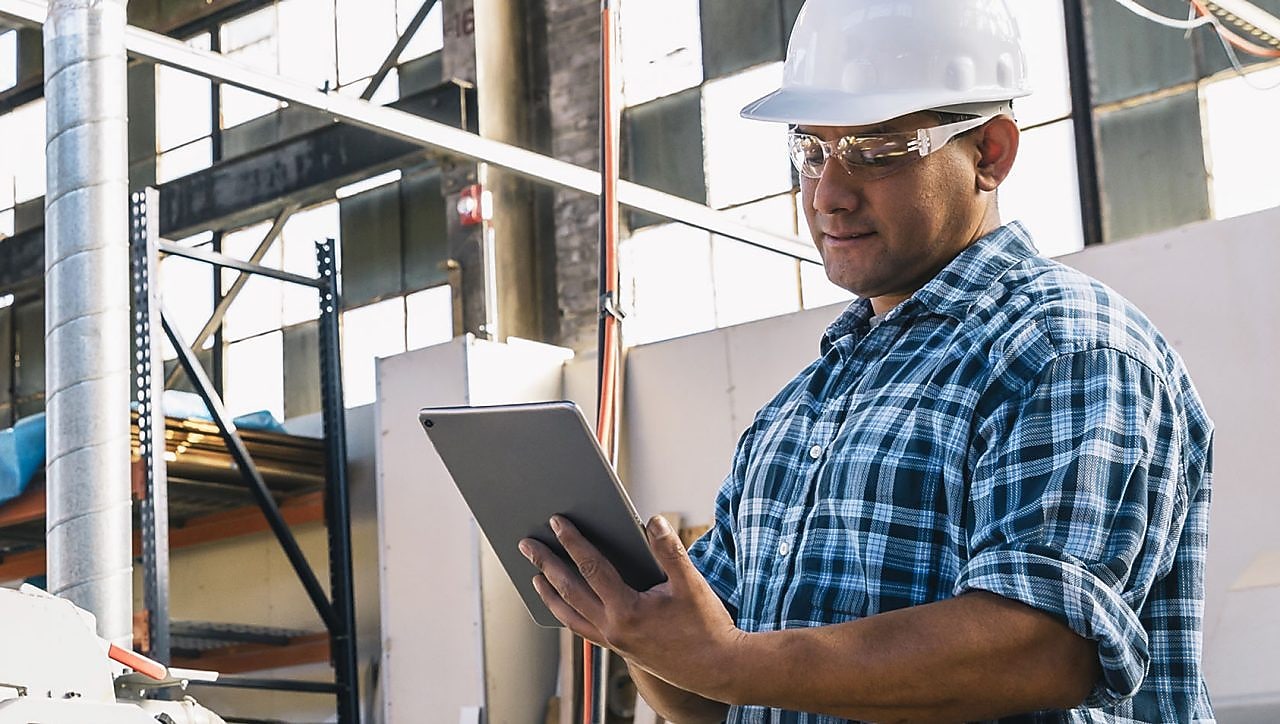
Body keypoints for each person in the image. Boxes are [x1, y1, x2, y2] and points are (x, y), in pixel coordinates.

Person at [519, 0, 1215, 721]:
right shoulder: (796, 411)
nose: (828, 195)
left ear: (990, 153)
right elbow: (716, 698)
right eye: (812, 151)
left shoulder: (1068, 350)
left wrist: (732, 662)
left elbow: (1044, 647)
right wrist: (637, 629)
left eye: (876, 150)